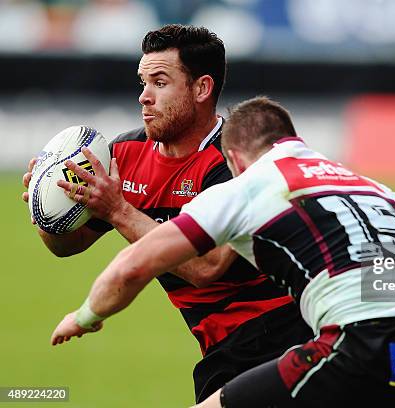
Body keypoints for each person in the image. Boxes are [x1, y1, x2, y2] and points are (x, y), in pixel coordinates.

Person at [49, 97, 395, 408]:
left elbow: (136, 264)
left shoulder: (246, 186)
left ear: (237, 156)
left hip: (359, 345)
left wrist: (85, 315)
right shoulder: (366, 184)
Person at [22, 26, 311, 403]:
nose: (144, 97)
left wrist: (119, 211)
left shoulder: (233, 161)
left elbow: (204, 268)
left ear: (201, 89)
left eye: (160, 82)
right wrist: (48, 210)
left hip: (285, 333)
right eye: (143, 82)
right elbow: (67, 246)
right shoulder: (124, 154)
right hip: (223, 347)